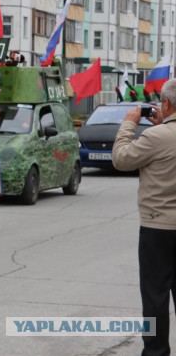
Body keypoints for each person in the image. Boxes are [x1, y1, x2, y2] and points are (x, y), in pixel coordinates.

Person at [112, 78, 176, 355]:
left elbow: (121, 159)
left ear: (165, 103)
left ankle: (156, 351)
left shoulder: (156, 137)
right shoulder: (160, 135)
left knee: (155, 296)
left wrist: (128, 124)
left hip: (158, 227)